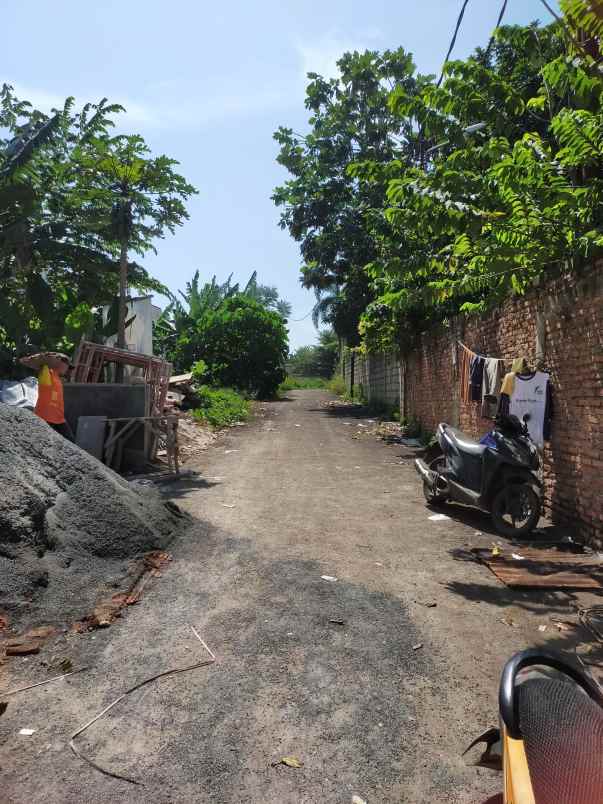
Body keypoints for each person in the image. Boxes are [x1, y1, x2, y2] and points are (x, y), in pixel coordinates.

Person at [19, 353, 75, 441]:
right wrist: (49, 360)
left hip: (58, 417)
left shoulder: (56, 377)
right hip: (45, 416)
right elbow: (43, 363)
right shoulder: (46, 373)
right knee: (40, 440)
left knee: (70, 440)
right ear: (60, 364)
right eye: (67, 366)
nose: (67, 369)